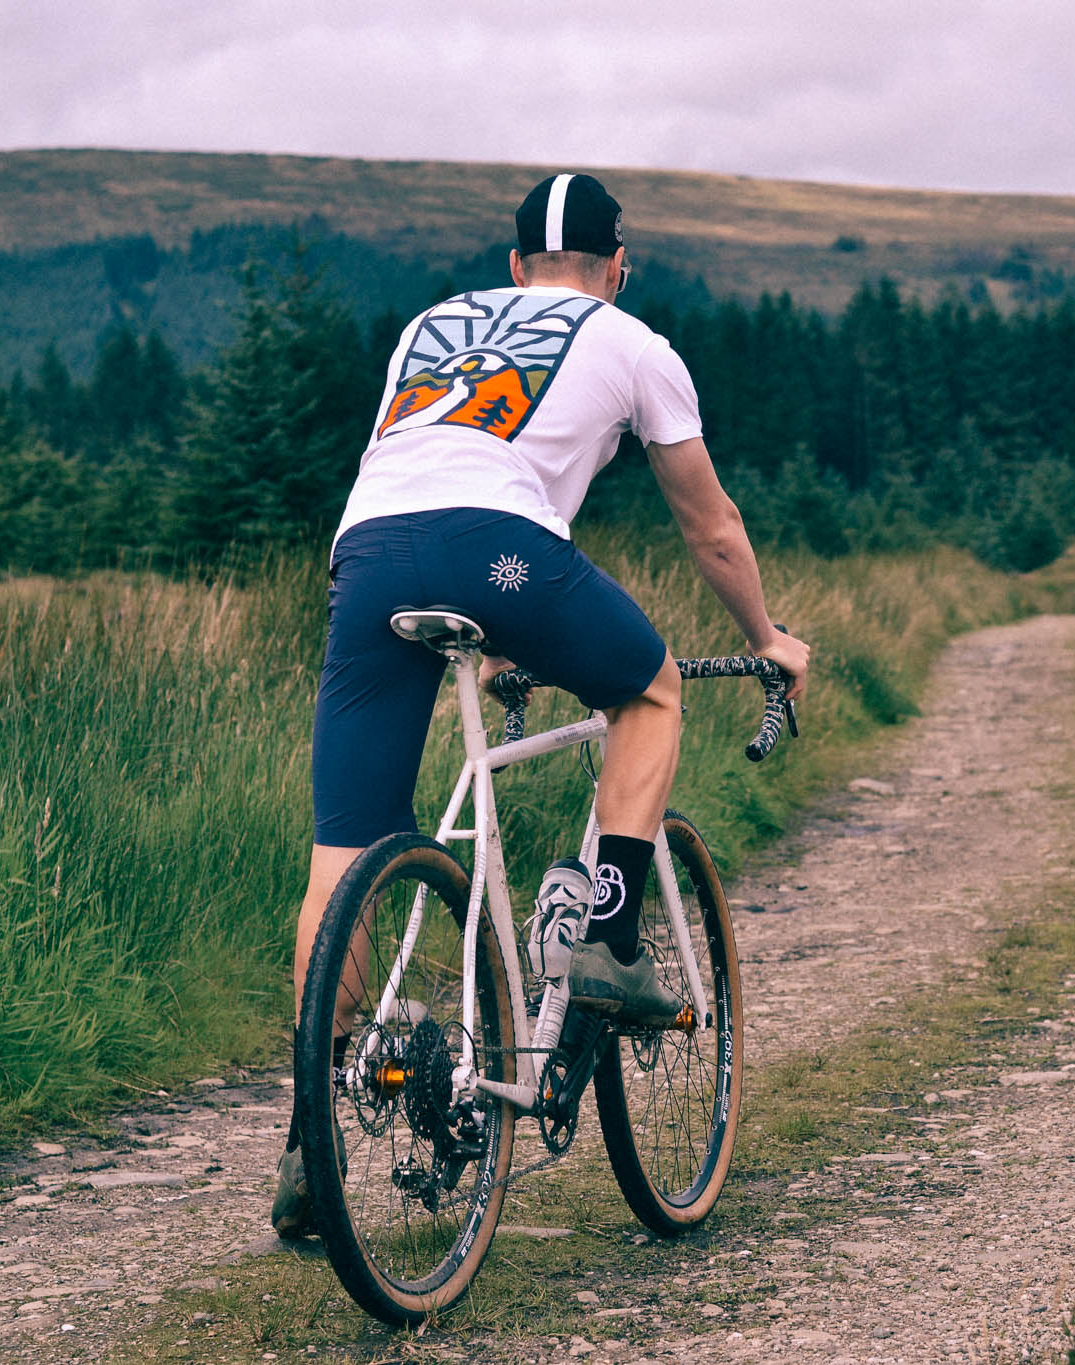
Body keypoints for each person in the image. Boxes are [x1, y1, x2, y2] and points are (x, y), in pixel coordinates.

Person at [272, 172, 811, 1236]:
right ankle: (608, 934)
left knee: (342, 862)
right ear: (618, 266)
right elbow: (707, 527)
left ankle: (309, 1144)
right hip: (499, 553)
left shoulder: (433, 323)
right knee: (650, 691)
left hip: (370, 558)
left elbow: (432, 461)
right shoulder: (632, 340)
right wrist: (766, 639)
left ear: (514, 268)